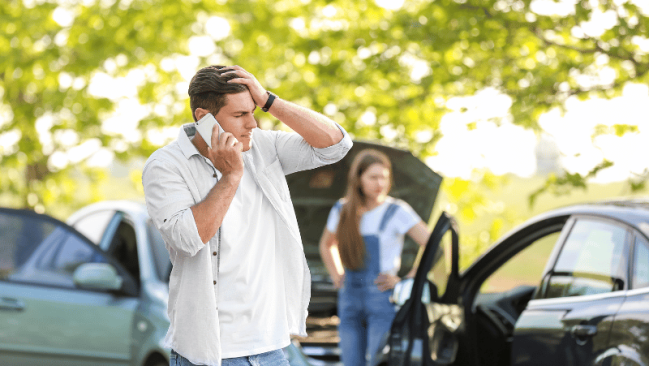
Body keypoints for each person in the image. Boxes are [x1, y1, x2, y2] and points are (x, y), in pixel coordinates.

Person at [142, 65, 353, 366]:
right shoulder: (165, 165)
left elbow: (336, 145)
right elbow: (188, 239)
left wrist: (269, 100)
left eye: (254, 111)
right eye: (240, 115)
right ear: (203, 118)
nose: (252, 123)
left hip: (273, 349)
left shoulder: (263, 147)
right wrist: (230, 177)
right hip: (211, 355)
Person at [319, 149, 431, 366]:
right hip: (349, 298)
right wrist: (337, 275)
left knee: (379, 362)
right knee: (351, 362)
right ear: (358, 179)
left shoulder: (397, 211)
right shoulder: (342, 209)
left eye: (384, 177)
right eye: (373, 177)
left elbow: (432, 245)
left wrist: (407, 279)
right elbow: (326, 244)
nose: (380, 183)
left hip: (382, 300)